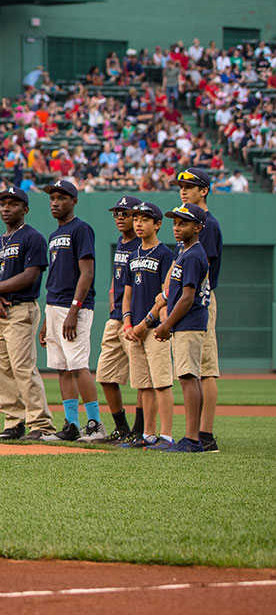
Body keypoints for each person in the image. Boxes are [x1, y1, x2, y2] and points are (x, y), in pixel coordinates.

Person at [0, 185, 56, 441]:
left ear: (25, 209)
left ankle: (41, 423)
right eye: (3, 203)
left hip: (21, 308)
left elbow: (30, 275)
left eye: (12, 204)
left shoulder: (32, 237)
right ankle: (14, 422)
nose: (6, 208)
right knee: (1, 369)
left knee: (23, 368)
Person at [37, 179, 99, 442]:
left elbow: (87, 272)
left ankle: (94, 425)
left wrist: (75, 308)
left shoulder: (81, 229)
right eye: (52, 198)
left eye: (61, 198)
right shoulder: (54, 235)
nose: (55, 202)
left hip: (74, 307)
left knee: (78, 365)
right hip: (54, 305)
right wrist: (46, 319)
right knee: (62, 368)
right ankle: (72, 425)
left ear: (74, 201)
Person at [152, 204, 213, 452]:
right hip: (186, 324)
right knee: (189, 377)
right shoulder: (185, 252)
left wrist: (166, 324)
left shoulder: (194, 254)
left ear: (198, 227)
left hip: (189, 324)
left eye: (184, 223)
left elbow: (187, 297)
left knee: (188, 378)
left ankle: (192, 439)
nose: (177, 227)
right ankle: (191, 437)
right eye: (175, 223)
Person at [119, 202, 175, 450]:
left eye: (145, 219)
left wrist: (144, 324)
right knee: (144, 385)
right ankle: (149, 434)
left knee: (161, 382)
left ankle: (167, 436)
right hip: (136, 329)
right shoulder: (133, 256)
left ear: (158, 224)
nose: (139, 223)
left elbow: (166, 294)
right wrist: (128, 322)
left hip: (155, 329)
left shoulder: (165, 254)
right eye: (136, 219)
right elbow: (127, 294)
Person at [174, 167, 221, 452]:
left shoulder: (208, 225)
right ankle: (198, 433)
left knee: (205, 368)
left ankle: (205, 435)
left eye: (190, 186)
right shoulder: (187, 222)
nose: (183, 189)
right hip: (188, 300)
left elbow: (205, 269)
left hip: (200, 300)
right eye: (181, 185)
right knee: (196, 368)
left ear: (203, 190)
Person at [94, 195, 143, 443]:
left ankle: (140, 430)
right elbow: (119, 278)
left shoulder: (142, 245)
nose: (120, 217)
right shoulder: (122, 243)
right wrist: (113, 293)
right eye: (117, 214)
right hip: (116, 318)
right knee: (105, 375)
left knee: (143, 379)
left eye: (125, 213)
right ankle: (122, 429)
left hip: (136, 320)